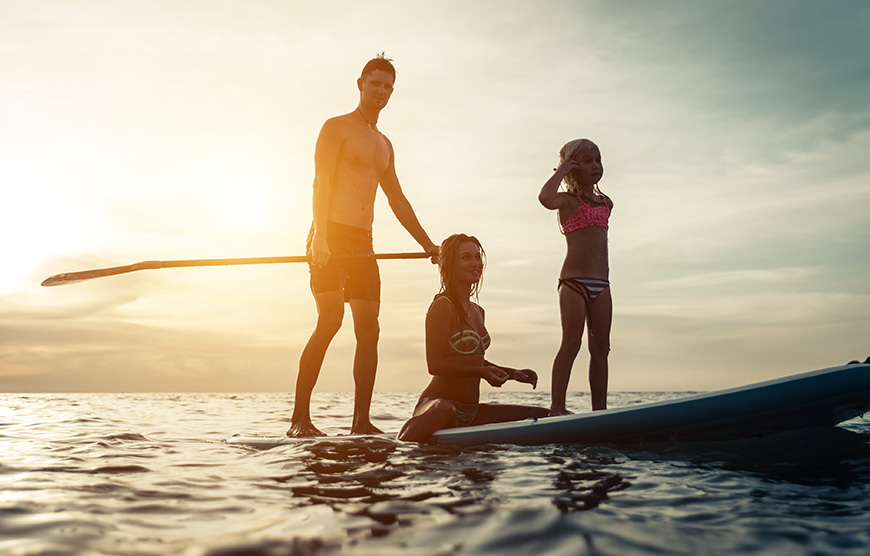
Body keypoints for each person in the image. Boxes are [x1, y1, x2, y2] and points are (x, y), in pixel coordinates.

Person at [288, 54, 439, 437]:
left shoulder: (385, 145)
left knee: (369, 330)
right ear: (360, 84)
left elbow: (397, 201)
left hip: (362, 242)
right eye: (375, 83)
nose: (381, 92)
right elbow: (320, 183)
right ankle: (299, 420)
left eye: (388, 87)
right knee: (330, 321)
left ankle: (361, 423)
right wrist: (320, 236)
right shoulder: (335, 128)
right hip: (329, 234)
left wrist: (429, 245)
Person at [397, 234, 548, 443]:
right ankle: (399, 445)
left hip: (471, 411)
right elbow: (435, 365)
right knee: (444, 408)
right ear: (450, 264)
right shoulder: (443, 306)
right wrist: (481, 372)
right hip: (436, 406)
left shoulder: (479, 311)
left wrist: (513, 373)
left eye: (477, 257)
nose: (475, 263)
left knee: (541, 414)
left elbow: (474, 361)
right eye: (466, 258)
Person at [538, 139, 613, 415]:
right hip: (573, 284)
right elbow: (544, 197)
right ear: (572, 167)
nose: (595, 166)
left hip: (601, 285)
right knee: (571, 343)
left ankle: (600, 411)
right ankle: (557, 407)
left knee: (601, 348)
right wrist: (560, 171)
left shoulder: (607, 203)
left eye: (598, 160)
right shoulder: (566, 201)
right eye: (587, 161)